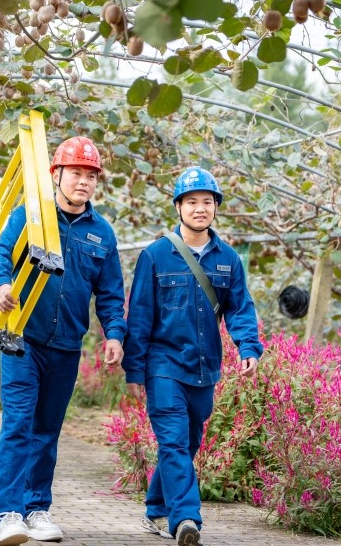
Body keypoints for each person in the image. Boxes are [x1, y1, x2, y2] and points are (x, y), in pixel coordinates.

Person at [0, 135, 127, 546]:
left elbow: (112, 293)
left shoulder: (102, 233)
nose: (83, 182)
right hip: (21, 337)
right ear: (57, 174)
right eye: (76, 173)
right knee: (18, 424)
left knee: (48, 429)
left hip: (66, 344)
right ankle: (8, 513)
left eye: (90, 175)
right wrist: (2, 284)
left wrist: (114, 334)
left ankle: (36, 509)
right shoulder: (29, 216)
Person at [122, 167, 263, 546]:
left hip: (204, 368)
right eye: (192, 202)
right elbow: (139, 318)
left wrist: (247, 347)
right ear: (179, 207)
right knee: (172, 442)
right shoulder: (155, 256)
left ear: (215, 207)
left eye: (207, 202)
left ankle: (156, 507)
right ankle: (186, 519)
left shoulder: (228, 259)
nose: (200, 209)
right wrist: (134, 371)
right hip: (163, 366)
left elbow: (239, 308)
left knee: (186, 444)